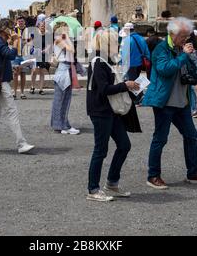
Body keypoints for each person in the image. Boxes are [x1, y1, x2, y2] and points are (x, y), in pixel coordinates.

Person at [143, 17, 197, 190]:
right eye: (183, 36)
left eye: (187, 36)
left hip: (182, 102)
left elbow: (188, 72)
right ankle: (153, 175)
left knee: (191, 135)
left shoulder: (183, 48)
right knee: (160, 139)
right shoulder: (161, 49)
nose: (186, 40)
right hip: (165, 102)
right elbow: (164, 69)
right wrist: (184, 55)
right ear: (172, 34)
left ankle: (193, 172)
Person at [86, 29, 141, 202]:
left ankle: (111, 183)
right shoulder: (99, 62)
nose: (118, 45)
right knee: (100, 150)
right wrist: (126, 85)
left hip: (111, 110)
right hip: (101, 111)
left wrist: (130, 87)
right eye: (115, 42)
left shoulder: (106, 61)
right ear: (107, 44)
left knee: (124, 145)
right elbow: (104, 90)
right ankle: (93, 189)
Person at [0, 19, 35, 154]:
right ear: (4, 30)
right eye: (11, 28)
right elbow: (10, 55)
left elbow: (2, 61)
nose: (13, 31)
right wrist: (15, 42)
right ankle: (21, 144)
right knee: (12, 112)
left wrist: (13, 67)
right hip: (0, 84)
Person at [51, 22, 80, 135]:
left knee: (64, 100)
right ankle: (62, 125)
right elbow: (71, 50)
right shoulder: (59, 40)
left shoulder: (61, 40)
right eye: (66, 29)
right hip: (63, 72)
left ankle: (62, 124)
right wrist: (67, 38)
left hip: (65, 70)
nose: (68, 31)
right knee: (61, 100)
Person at [121, 23, 150, 104]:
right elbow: (146, 51)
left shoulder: (127, 39)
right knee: (138, 79)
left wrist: (122, 64)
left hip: (131, 64)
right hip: (140, 63)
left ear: (128, 30)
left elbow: (125, 54)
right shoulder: (141, 38)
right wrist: (147, 60)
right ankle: (139, 96)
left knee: (132, 81)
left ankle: (136, 98)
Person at [30, 22, 51, 95]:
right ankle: (32, 86)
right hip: (35, 53)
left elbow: (49, 44)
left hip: (43, 54)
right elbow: (30, 42)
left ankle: (41, 89)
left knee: (42, 71)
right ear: (38, 26)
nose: (43, 27)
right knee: (34, 70)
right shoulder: (34, 33)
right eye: (41, 26)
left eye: (44, 26)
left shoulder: (47, 34)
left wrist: (46, 49)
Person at [12, 17, 28, 100]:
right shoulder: (14, 30)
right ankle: (14, 92)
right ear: (17, 22)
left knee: (23, 74)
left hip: (25, 55)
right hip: (16, 55)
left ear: (24, 22)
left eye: (22, 21)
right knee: (15, 74)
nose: (21, 22)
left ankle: (22, 93)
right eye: (19, 21)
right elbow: (10, 40)